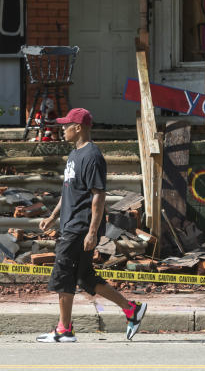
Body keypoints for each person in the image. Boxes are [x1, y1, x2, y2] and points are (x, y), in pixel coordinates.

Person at [36, 107, 147, 343]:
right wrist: (53, 216)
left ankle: (64, 330)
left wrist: (92, 232)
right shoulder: (75, 155)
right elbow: (69, 192)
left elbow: (99, 196)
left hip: (80, 227)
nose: (63, 129)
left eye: (66, 126)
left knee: (63, 273)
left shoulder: (92, 156)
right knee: (85, 277)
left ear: (78, 128)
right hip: (70, 223)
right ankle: (131, 310)